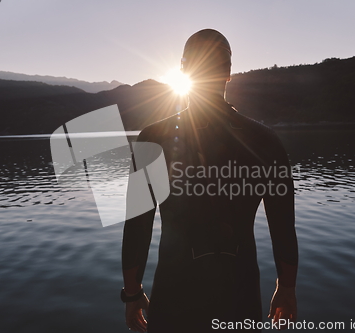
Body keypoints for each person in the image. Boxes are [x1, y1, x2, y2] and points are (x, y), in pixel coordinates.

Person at [121, 29, 298, 333]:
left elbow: (137, 225)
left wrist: (133, 293)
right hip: (239, 294)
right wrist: (287, 288)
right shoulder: (265, 142)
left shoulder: (153, 139)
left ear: (183, 69)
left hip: (174, 295)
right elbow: (282, 228)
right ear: (229, 72)